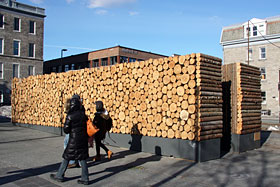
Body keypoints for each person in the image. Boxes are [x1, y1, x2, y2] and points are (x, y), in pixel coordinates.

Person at [50, 95, 89, 185]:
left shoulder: (70, 116)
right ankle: (85, 178)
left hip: (73, 140)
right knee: (82, 158)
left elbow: (66, 130)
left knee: (66, 157)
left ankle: (59, 175)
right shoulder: (83, 115)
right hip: (83, 139)